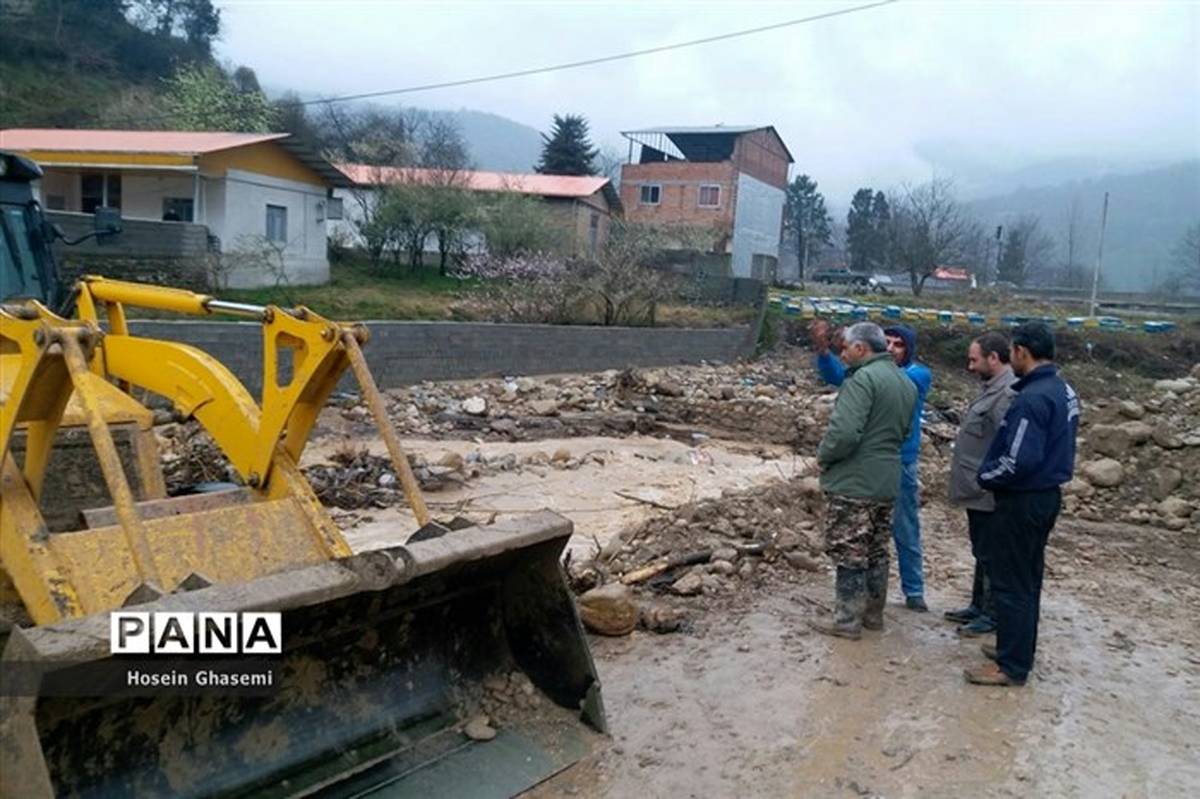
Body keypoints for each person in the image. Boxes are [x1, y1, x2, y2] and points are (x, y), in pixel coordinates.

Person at [966, 322, 1079, 687]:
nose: (1012, 357)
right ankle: (1015, 649)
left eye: (1013, 351)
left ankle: (1011, 666)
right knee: (1028, 580)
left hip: (1023, 500)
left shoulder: (1031, 399)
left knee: (1011, 582)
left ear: (1022, 352)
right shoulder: (1062, 390)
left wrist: (986, 477)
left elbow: (1018, 460)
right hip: (1046, 496)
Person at [811, 319, 933, 611]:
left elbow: (844, 433)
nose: (892, 348)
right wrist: (824, 351)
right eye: (888, 342)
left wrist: (824, 457)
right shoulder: (897, 381)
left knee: (856, 544)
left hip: (869, 471)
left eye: (898, 344)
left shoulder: (906, 377)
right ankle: (873, 613)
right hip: (889, 468)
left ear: (861, 347)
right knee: (878, 545)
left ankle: (850, 617)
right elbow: (839, 375)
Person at [944, 332, 1016, 637]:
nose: (970, 366)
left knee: (991, 552)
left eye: (974, 359)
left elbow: (1007, 443)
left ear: (994, 358)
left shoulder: (1007, 393)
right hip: (977, 486)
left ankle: (991, 613)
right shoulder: (991, 388)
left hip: (989, 489)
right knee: (981, 549)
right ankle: (978, 605)